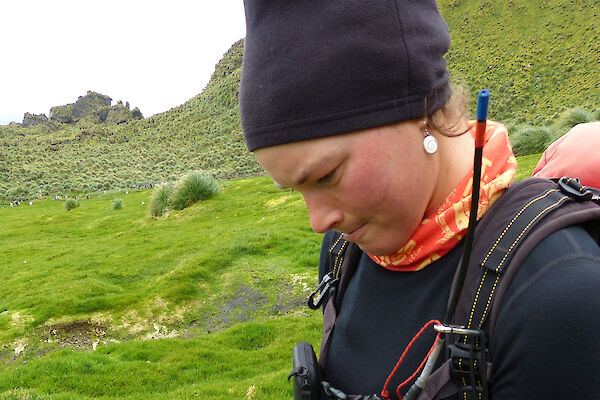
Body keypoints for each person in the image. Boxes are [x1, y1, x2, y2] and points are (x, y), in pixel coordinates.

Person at [238, 1, 600, 399]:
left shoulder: (561, 295)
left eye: (326, 175)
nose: (318, 221)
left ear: (418, 108)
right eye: (296, 189)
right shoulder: (344, 252)